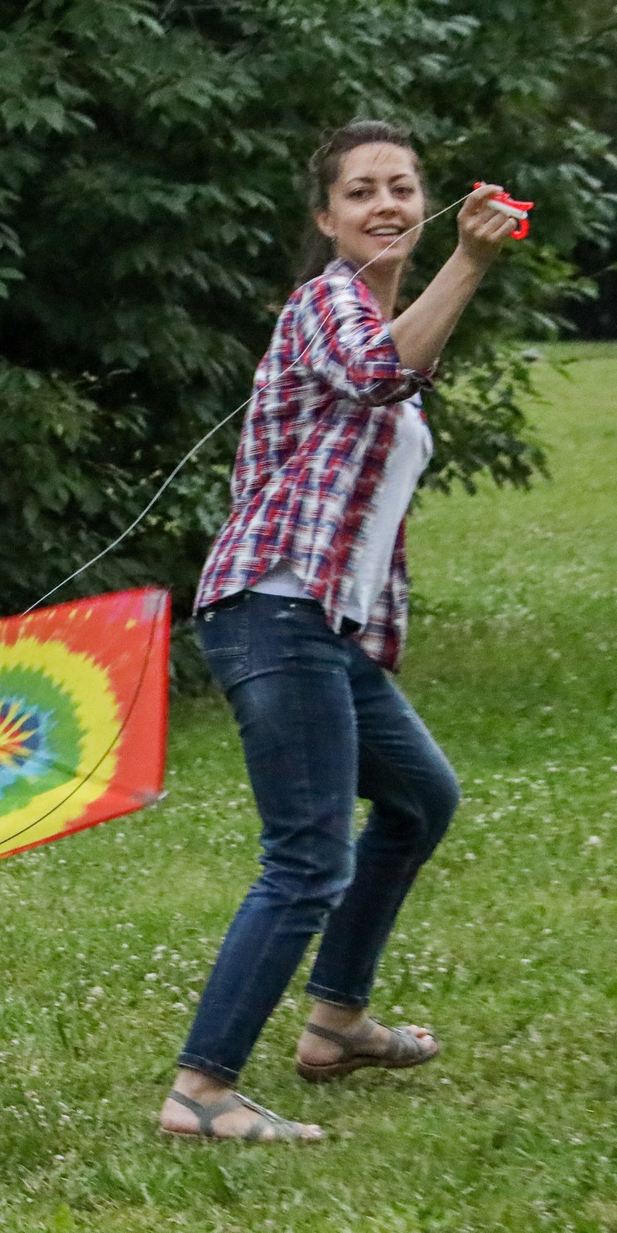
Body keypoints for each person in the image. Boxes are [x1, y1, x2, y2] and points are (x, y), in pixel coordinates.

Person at [160, 120, 525, 1143]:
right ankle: (200, 1092)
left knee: (418, 801)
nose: (386, 204)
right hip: (273, 612)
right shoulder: (325, 304)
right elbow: (374, 376)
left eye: (403, 187)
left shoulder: (387, 321)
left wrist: (452, 276)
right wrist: (467, 259)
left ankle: (335, 1021)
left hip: (327, 630)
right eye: (361, 191)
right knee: (307, 860)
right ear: (326, 220)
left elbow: (393, 376)